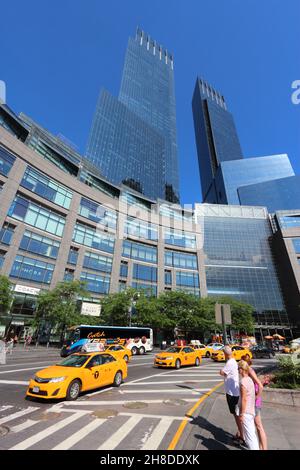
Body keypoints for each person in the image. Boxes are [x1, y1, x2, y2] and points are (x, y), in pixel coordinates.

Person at [241, 355, 268, 450]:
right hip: (253, 403)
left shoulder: (250, 371)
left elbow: (260, 386)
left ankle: (264, 448)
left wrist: (256, 398)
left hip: (254, 404)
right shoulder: (249, 371)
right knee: (255, 427)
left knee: (259, 427)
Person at [220, 345, 244, 446]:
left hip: (232, 393)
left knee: (236, 414)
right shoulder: (233, 361)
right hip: (234, 392)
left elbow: (222, 372)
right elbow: (225, 373)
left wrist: (223, 373)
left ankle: (242, 436)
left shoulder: (229, 363)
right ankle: (240, 432)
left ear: (225, 354)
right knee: (236, 414)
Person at [237, 360, 260, 450]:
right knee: (252, 435)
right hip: (251, 410)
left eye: (238, 368)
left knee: (250, 438)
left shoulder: (243, 382)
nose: (238, 370)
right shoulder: (250, 379)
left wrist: (242, 414)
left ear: (242, 369)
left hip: (246, 412)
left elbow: (244, 399)